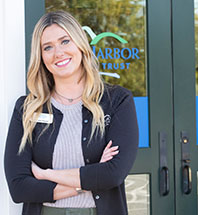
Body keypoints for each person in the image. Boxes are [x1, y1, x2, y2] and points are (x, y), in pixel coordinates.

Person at [4, 10, 139, 215]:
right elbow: (18, 187)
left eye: (65, 41)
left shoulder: (117, 101)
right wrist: (88, 180)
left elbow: (112, 174)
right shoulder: (27, 109)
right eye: (48, 47)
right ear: (41, 57)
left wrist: (45, 174)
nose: (58, 53)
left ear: (80, 45)